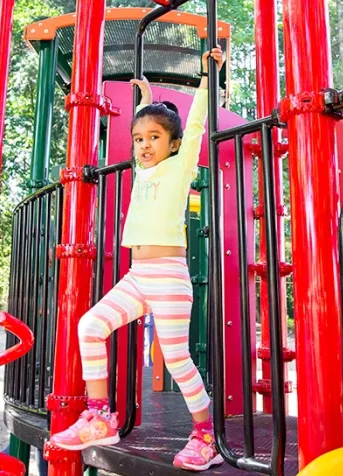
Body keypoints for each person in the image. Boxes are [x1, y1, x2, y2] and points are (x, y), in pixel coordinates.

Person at [50, 46, 224, 472]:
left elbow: (197, 122)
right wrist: (144, 101)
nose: (145, 146)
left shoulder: (179, 167)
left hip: (168, 277)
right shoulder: (142, 171)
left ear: (174, 144)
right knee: (90, 326)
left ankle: (205, 437)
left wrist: (208, 76)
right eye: (139, 139)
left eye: (155, 138)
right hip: (137, 275)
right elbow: (144, 128)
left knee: (178, 358)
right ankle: (99, 415)